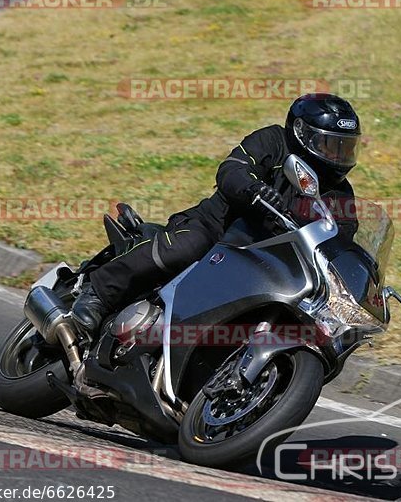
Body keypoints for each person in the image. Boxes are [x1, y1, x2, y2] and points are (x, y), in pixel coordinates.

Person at [70, 93, 363, 338]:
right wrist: (255, 190)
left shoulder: (339, 194)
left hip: (264, 264)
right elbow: (232, 169)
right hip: (217, 229)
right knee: (186, 247)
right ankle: (97, 291)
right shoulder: (273, 141)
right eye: (330, 145)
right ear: (302, 134)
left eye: (344, 148)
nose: (337, 156)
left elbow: (341, 240)